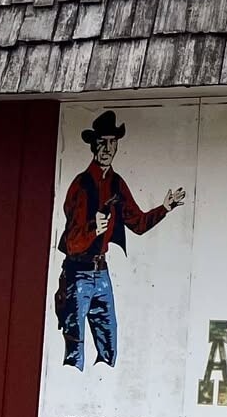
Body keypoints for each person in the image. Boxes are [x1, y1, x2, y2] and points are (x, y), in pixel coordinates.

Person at [53, 111, 185, 370]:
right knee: (74, 350)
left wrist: (165, 207)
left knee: (109, 345)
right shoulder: (81, 185)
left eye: (112, 143)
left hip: (101, 274)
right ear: (94, 145)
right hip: (77, 274)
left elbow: (137, 223)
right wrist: (94, 230)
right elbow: (71, 243)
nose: (107, 149)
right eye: (102, 142)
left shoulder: (116, 183)